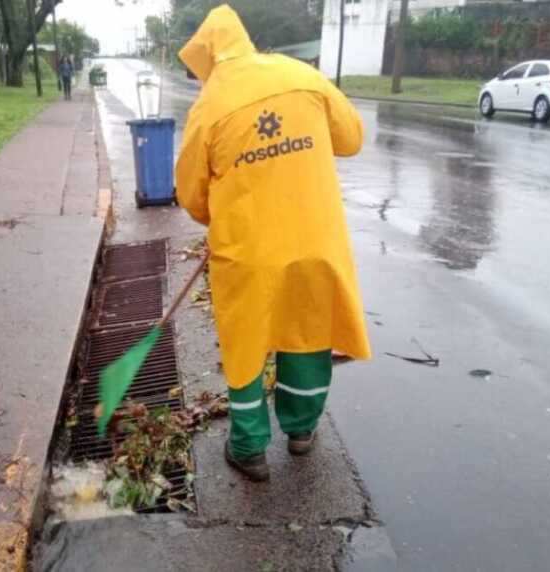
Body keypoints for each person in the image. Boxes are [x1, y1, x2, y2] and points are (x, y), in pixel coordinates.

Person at [175, 5, 372, 482]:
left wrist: (222, 212)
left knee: (246, 345)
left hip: (249, 252)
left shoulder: (209, 106)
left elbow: (192, 197)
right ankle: (302, 431)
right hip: (315, 241)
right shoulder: (300, 75)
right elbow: (350, 139)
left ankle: (248, 449)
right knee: (308, 332)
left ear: (206, 56)